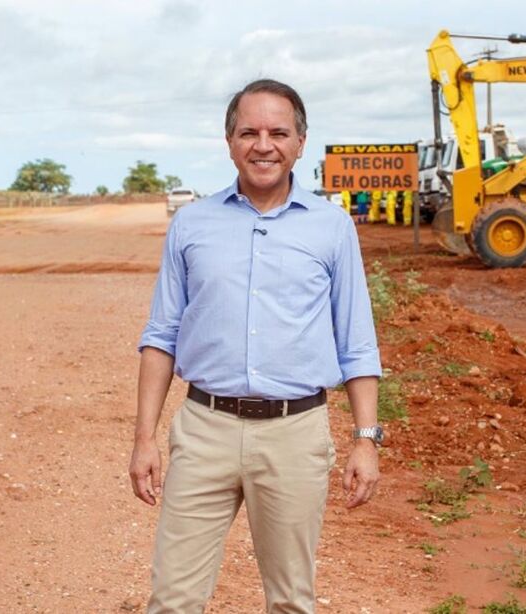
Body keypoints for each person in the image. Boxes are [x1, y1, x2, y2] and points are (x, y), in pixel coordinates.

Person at [129, 78, 383, 614]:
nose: (262, 145)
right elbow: (161, 336)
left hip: (295, 434)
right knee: (172, 600)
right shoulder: (192, 224)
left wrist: (366, 440)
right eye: (249, 132)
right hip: (204, 430)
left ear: (300, 143)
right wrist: (144, 438)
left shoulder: (333, 228)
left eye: (277, 132)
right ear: (229, 141)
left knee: (292, 601)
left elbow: (356, 342)